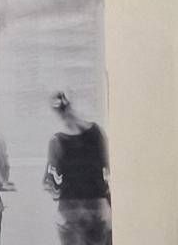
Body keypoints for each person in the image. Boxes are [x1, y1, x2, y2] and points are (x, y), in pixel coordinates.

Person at [42, 91, 111, 245]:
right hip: (97, 208)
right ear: (71, 105)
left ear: (56, 113)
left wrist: (56, 191)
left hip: (69, 210)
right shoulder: (97, 132)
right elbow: (109, 167)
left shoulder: (56, 141)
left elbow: (51, 182)